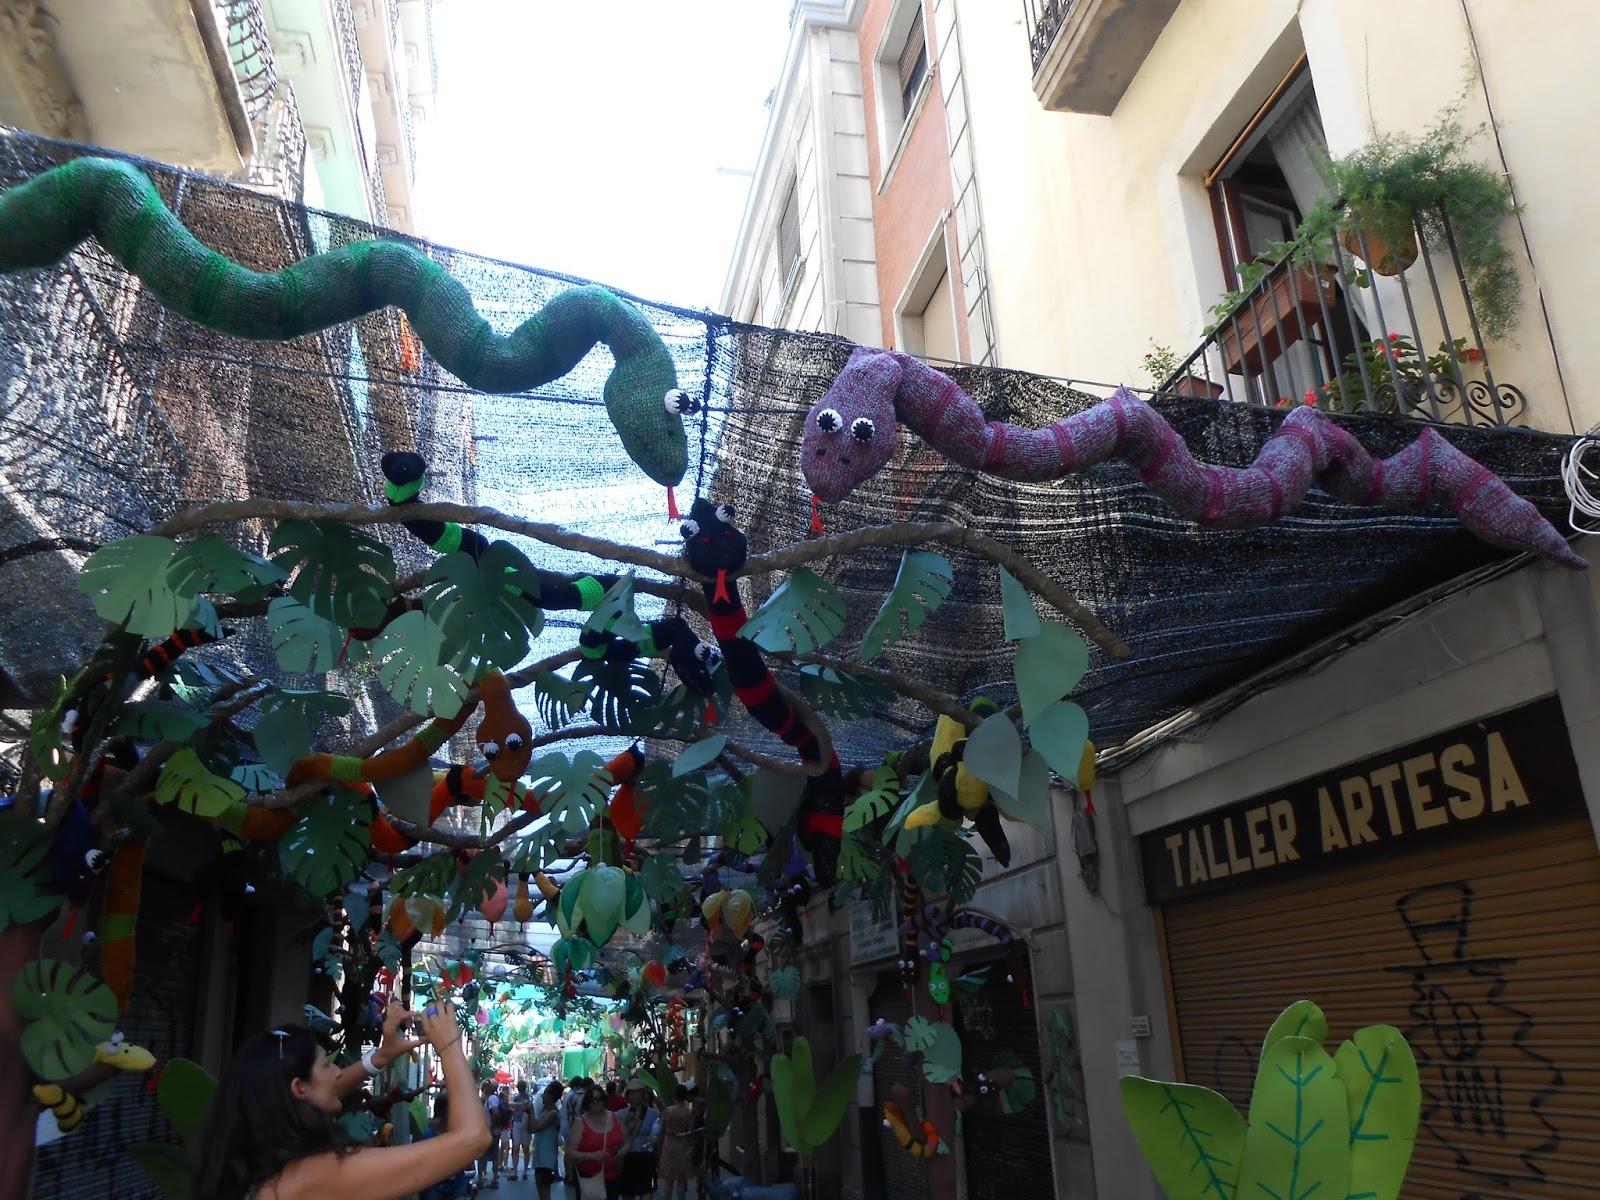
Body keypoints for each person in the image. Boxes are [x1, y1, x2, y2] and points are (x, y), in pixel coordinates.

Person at [187, 998, 488, 1200]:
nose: (336, 1074)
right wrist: (449, 1046)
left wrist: (380, 1057)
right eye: (326, 1065)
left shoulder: (260, 1161)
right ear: (299, 1089)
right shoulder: (317, 1171)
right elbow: (473, 1138)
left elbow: (330, 1087)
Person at [565, 1084, 624, 1200]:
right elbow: (570, 1153)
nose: (595, 1102)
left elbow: (626, 1142)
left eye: (598, 1099)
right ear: (587, 1103)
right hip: (588, 1177)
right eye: (591, 1100)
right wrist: (592, 1156)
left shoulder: (615, 1117)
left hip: (613, 1177)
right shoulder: (580, 1122)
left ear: (604, 1099)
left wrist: (621, 1153)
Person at [422, 1096, 474, 1200]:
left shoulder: (460, 1135)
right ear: (442, 1112)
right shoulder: (428, 1136)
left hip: (457, 1182)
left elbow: (468, 1163)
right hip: (434, 1184)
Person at [617, 1081, 660, 1200]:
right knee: (628, 1194)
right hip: (627, 1158)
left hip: (646, 1158)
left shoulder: (653, 1114)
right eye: (632, 1093)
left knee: (647, 1192)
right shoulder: (620, 1115)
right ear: (627, 1095)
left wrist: (655, 1140)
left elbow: (656, 1134)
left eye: (638, 1092)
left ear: (643, 1094)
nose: (635, 1096)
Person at [655, 1086, 700, 1200]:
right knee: (681, 1180)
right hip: (683, 1143)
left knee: (668, 1181)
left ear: (674, 1096)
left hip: (669, 1143)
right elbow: (690, 1131)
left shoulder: (668, 1111)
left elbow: (662, 1129)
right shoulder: (689, 1113)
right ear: (685, 1097)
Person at [529, 1080, 565, 1200]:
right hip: (541, 1157)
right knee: (541, 1188)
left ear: (550, 1096)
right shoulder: (546, 1111)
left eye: (544, 1094)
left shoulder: (553, 1113)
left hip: (546, 1158)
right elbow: (531, 1127)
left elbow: (535, 1128)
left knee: (544, 1191)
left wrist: (531, 1111)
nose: (542, 1097)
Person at [476, 1081, 503, 1190]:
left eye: (484, 1087)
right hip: (493, 1132)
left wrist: (491, 1128)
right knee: (493, 1155)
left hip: (490, 1132)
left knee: (483, 1155)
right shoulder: (492, 1098)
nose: (483, 1089)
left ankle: (481, 1179)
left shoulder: (492, 1098)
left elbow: (495, 1113)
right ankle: (493, 1179)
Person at [508, 1080, 534, 1181]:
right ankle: (518, 1171)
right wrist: (520, 1105)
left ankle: (522, 1171)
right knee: (518, 1148)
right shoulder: (517, 1097)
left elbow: (530, 1107)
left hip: (524, 1123)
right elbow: (511, 1104)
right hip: (518, 1123)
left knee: (523, 1148)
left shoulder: (529, 1097)